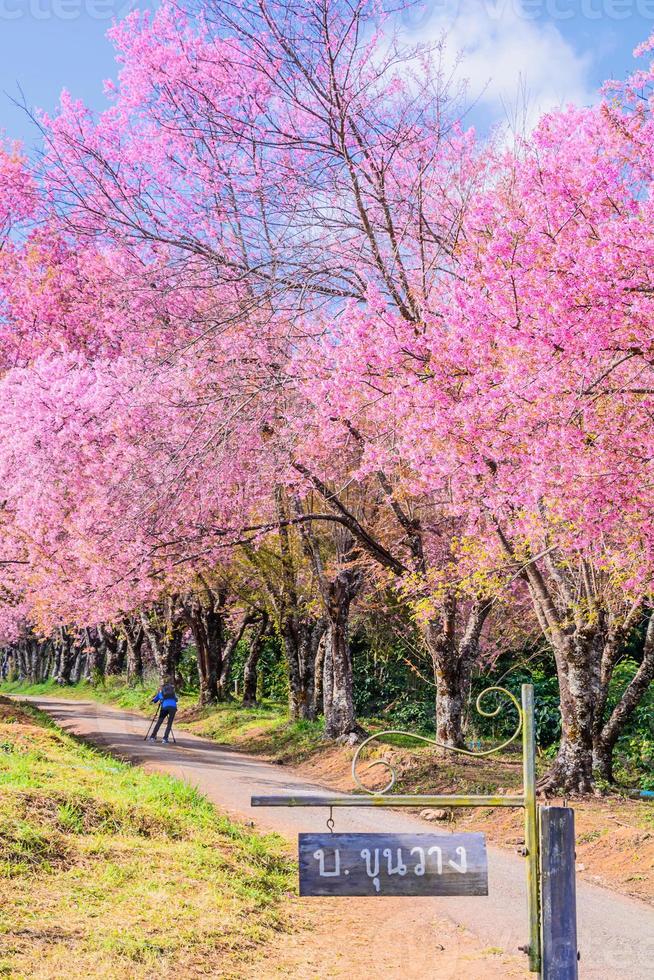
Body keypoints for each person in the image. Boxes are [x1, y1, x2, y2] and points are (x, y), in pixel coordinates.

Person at [149, 677, 178, 743]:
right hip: (173, 708)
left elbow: (155, 700)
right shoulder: (173, 693)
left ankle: (152, 737)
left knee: (159, 722)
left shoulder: (161, 692)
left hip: (164, 707)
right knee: (169, 723)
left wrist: (154, 700)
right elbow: (176, 700)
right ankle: (165, 739)